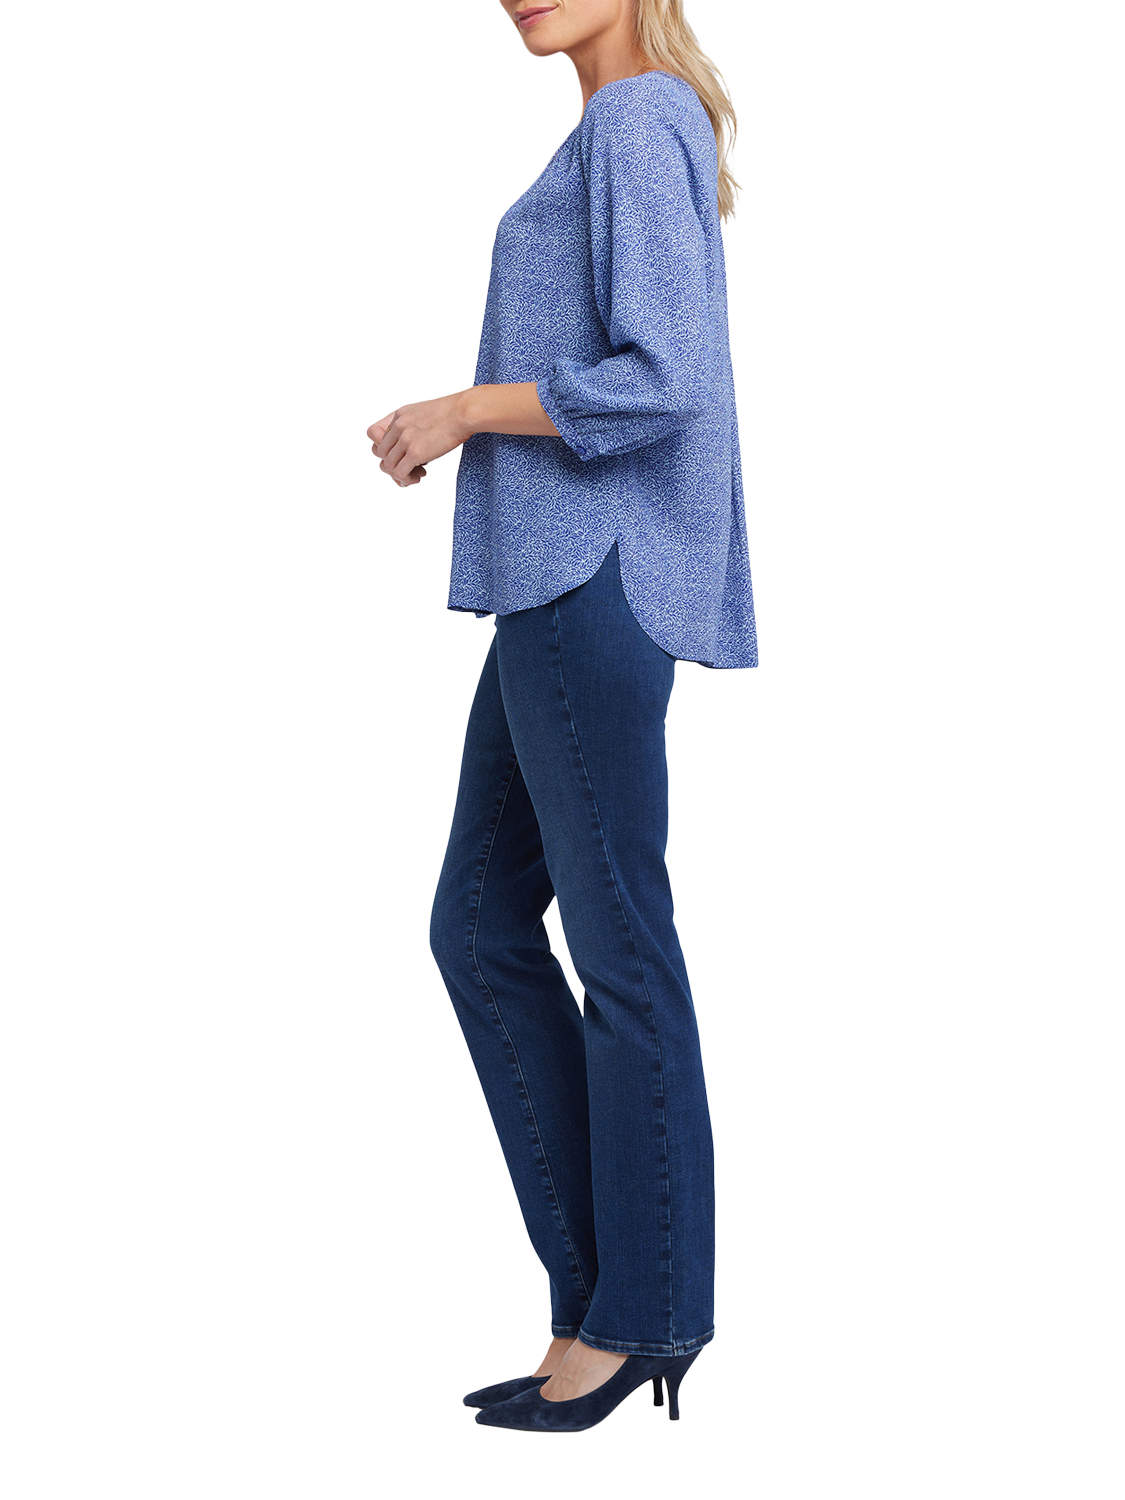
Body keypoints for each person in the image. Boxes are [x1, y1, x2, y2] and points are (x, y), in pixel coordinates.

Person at [366, 0, 758, 1433]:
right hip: (558, 586)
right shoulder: (616, 126)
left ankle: (640, 1316)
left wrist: (464, 409)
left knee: (620, 947)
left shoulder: (637, 119)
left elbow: (666, 380)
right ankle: (604, 1301)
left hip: (592, 579)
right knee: (478, 925)